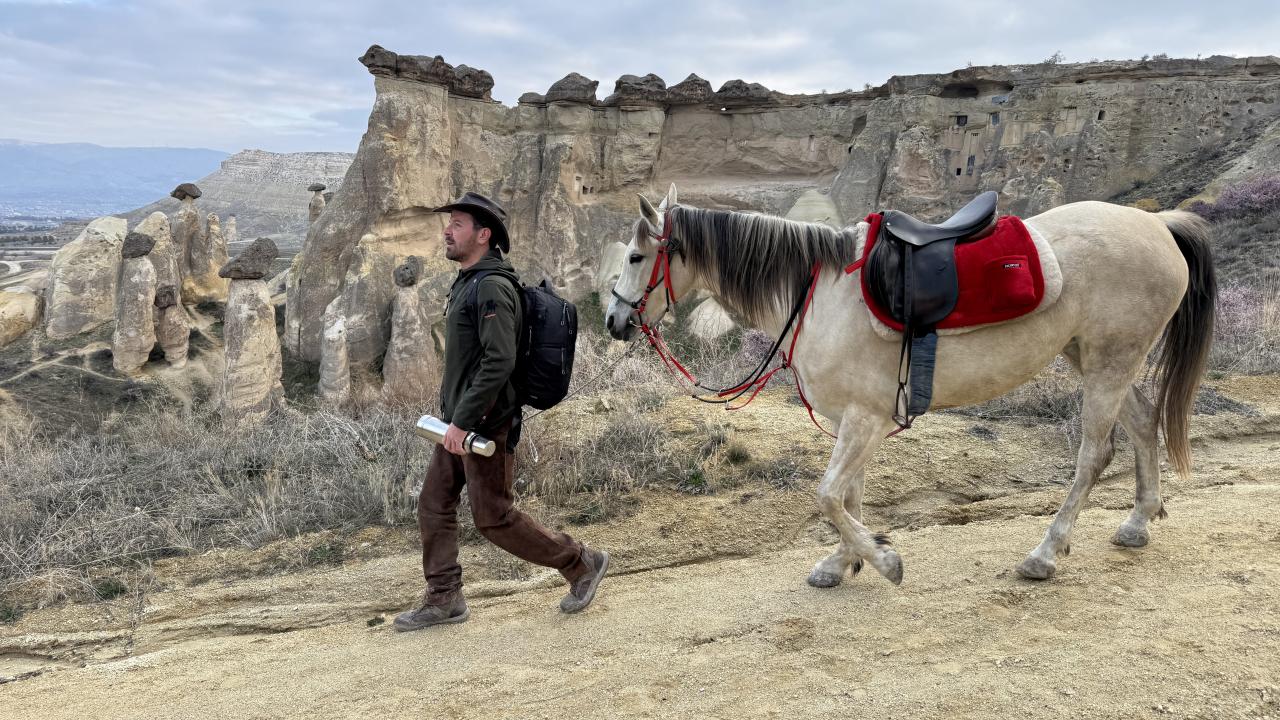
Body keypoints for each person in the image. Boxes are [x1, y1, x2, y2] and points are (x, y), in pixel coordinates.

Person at [395, 192, 608, 631]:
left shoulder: (491, 286)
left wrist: (463, 422)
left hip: (485, 424)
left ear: (483, 234)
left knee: (494, 518)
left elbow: (499, 361)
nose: (447, 231)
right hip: (460, 422)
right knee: (434, 503)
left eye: (457, 224)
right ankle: (444, 597)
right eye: (449, 223)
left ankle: (580, 562)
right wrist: (454, 420)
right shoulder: (468, 281)